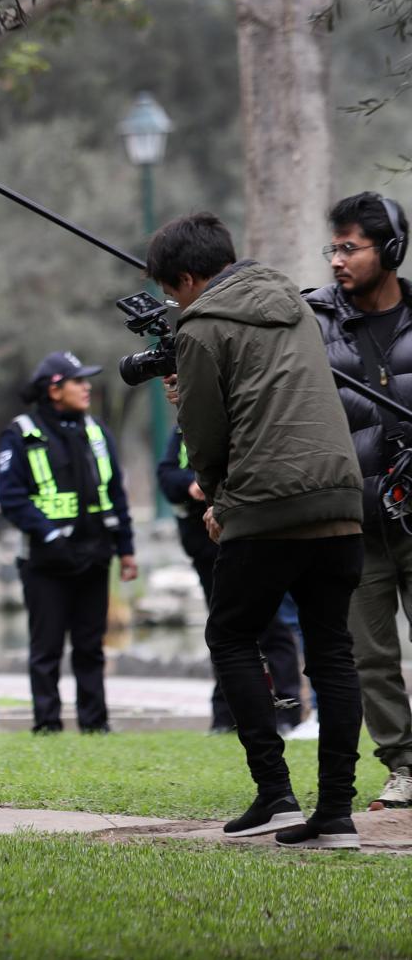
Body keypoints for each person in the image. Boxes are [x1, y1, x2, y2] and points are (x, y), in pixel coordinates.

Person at [150, 211, 366, 849]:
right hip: (341, 499)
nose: (175, 304)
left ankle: (274, 793)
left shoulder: (200, 325)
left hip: (267, 506)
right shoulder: (295, 305)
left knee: (230, 634)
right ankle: (337, 813)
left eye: (172, 292)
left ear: (188, 279)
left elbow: (206, 435)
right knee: (332, 650)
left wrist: (217, 499)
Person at [305, 191, 412, 811]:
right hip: (354, 517)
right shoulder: (313, 321)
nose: (337, 260)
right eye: (333, 247)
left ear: (390, 250)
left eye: (351, 247)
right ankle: (403, 765)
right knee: (371, 656)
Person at [0, 352, 137, 735]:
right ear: (55, 390)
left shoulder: (97, 431)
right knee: (47, 648)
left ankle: (96, 724)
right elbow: (10, 497)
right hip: (45, 560)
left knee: (91, 646)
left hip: (95, 555)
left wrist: (126, 549)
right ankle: (47, 725)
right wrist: (49, 534)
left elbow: (115, 494)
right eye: (78, 381)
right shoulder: (21, 433)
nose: (87, 387)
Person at [157, 425, 302, 734]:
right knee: (223, 630)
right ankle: (226, 716)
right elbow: (166, 475)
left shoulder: (240, 418)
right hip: (206, 549)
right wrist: (191, 485)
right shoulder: (184, 428)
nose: (172, 397)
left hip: (252, 539)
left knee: (270, 626)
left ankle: (288, 713)